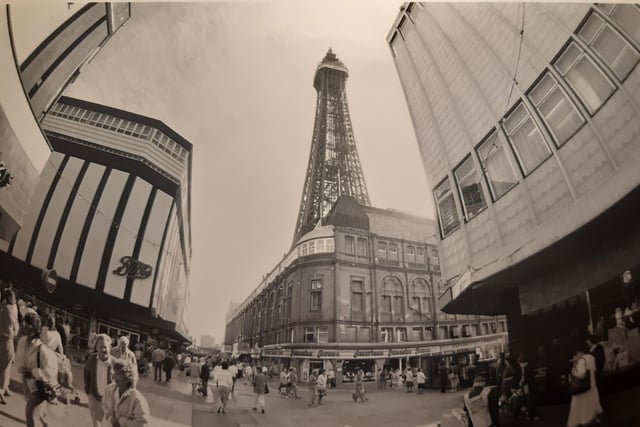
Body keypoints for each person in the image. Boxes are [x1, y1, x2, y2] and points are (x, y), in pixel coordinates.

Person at [16, 311, 59, 427]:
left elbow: (51, 370)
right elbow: (19, 360)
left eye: (26, 325)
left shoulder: (42, 348)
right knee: (39, 415)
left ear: (33, 328)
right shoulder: (22, 342)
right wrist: (22, 369)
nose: (23, 327)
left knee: (29, 411)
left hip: (40, 386)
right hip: (27, 383)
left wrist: (33, 372)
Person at [102, 359, 150, 426]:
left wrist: (120, 422)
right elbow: (104, 405)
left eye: (118, 374)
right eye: (114, 373)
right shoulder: (109, 389)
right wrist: (109, 417)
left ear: (128, 377)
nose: (114, 377)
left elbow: (143, 423)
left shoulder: (137, 399)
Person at [84, 334, 114, 427]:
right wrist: (88, 391)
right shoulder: (92, 359)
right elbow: (86, 374)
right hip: (94, 398)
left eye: (105, 347)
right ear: (97, 347)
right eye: (100, 347)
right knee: (96, 425)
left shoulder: (115, 363)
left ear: (110, 348)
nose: (103, 350)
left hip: (109, 402)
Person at [567, 347, 602, 427]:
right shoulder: (592, 358)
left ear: (580, 352)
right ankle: (592, 418)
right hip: (592, 385)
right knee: (592, 403)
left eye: (577, 353)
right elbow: (594, 370)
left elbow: (581, 375)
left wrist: (574, 371)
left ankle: (582, 420)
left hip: (582, 387)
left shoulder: (582, 360)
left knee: (580, 405)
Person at [0, 288, 19, 403]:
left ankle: (5, 386)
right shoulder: (10, 310)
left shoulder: (3, 306)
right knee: (6, 365)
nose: (15, 299)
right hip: (8, 339)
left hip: (1, 338)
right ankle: (2, 389)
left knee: (6, 363)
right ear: (9, 298)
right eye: (14, 297)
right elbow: (15, 327)